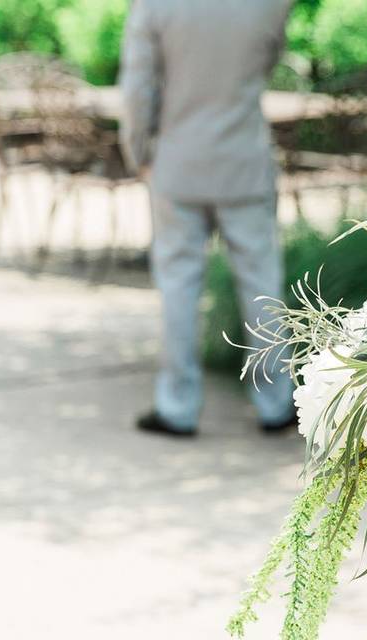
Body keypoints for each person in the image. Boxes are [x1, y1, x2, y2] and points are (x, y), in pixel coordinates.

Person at [120, 0, 297, 437]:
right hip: (244, 161)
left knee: (178, 285)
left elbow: (137, 88)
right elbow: (269, 60)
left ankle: (177, 407)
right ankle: (275, 402)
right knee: (262, 286)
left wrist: (137, 152)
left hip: (178, 162)